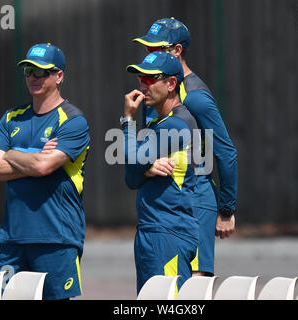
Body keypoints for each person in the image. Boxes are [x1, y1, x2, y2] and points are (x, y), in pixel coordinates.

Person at [0, 43, 90, 300]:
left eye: (41, 72)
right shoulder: (11, 118)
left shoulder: (74, 120)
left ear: (59, 76)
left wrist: (10, 153)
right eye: (29, 71)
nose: (33, 77)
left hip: (56, 239)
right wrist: (33, 156)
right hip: (13, 240)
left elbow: (44, 167)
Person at [132, 18, 238, 276]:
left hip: (196, 199)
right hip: (166, 202)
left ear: (177, 50)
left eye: (156, 48)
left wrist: (226, 210)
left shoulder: (196, 97)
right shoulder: (153, 91)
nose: (150, 53)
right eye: (147, 48)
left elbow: (225, 151)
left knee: (194, 287)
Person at [123, 51, 199, 294]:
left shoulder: (177, 123)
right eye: (140, 79)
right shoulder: (159, 124)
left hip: (168, 233)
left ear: (171, 84)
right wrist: (145, 170)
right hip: (152, 231)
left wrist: (127, 120)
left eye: (149, 79)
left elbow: (133, 162)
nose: (143, 85)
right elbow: (132, 177)